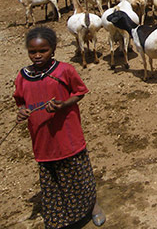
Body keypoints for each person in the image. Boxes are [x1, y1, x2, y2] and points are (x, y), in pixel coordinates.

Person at [14, 27, 106, 228]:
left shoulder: (64, 70)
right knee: (52, 180)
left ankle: (92, 205)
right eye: (32, 52)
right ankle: (59, 216)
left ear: (53, 49)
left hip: (67, 133)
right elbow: (20, 101)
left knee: (78, 173)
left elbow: (79, 92)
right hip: (42, 138)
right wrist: (22, 111)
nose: (37, 56)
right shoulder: (23, 76)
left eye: (43, 51)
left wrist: (64, 104)